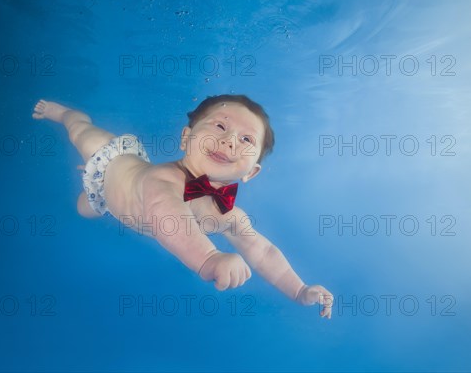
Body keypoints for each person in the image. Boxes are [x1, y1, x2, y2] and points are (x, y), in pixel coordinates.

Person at [32, 95, 334, 318]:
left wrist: (299, 290)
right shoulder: (164, 181)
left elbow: (262, 250)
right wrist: (210, 258)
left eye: (245, 139)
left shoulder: (227, 215)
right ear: (186, 138)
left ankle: (89, 182)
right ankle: (68, 114)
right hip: (113, 162)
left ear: (250, 172)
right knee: (81, 133)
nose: (229, 141)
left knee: (85, 208)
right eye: (219, 126)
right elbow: (169, 219)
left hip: (112, 201)